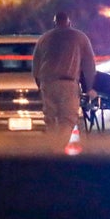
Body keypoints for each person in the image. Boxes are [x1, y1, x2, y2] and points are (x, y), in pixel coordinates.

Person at [32, 11, 97, 145]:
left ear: (55, 23)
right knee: (67, 119)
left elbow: (36, 66)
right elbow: (89, 64)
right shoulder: (79, 37)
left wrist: (40, 85)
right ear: (69, 22)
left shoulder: (44, 39)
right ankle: (59, 149)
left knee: (50, 119)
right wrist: (90, 87)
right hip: (68, 83)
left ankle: (51, 149)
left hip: (47, 83)